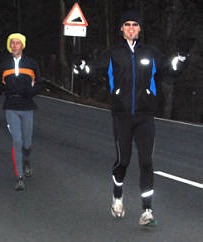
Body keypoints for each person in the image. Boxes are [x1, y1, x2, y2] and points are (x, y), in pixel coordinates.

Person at [74, 10, 187, 225]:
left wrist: (181, 58)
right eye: (127, 25)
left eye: (135, 25)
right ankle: (117, 196)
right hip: (122, 115)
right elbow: (92, 71)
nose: (132, 28)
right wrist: (80, 66)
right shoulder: (113, 54)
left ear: (140, 29)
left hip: (145, 115)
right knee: (123, 161)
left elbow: (170, 69)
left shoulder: (151, 53)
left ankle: (147, 211)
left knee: (146, 161)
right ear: (121, 29)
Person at [0, 33, 42, 191]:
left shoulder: (31, 63)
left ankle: (26, 159)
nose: (15, 46)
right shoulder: (4, 64)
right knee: (17, 141)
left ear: (23, 45)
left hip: (27, 106)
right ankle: (20, 177)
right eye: (12, 43)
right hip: (11, 106)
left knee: (27, 143)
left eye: (18, 43)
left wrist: (30, 92)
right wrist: (5, 89)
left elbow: (39, 84)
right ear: (10, 45)